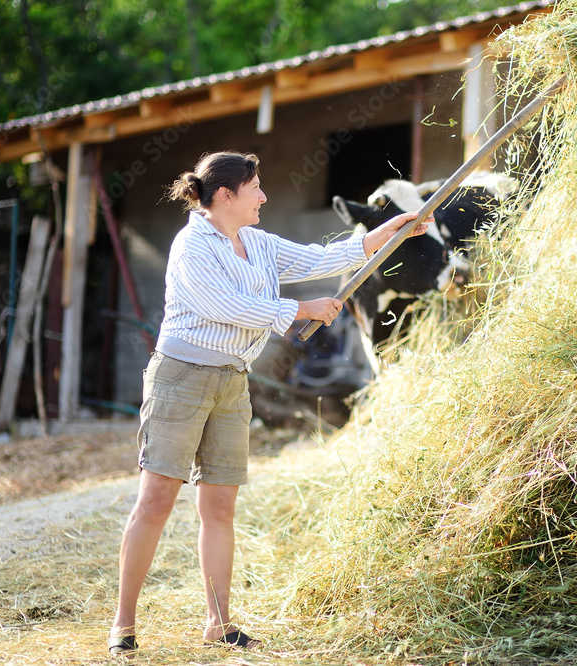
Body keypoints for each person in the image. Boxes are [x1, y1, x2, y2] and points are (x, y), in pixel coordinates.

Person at [108, 151, 429, 656]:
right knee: (157, 498)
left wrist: (388, 233)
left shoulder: (255, 242)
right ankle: (123, 625)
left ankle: (219, 622)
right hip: (182, 377)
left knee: (219, 504)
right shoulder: (190, 245)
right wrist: (300, 308)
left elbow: (319, 259)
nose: (263, 196)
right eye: (255, 188)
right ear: (225, 196)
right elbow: (227, 307)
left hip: (234, 379)